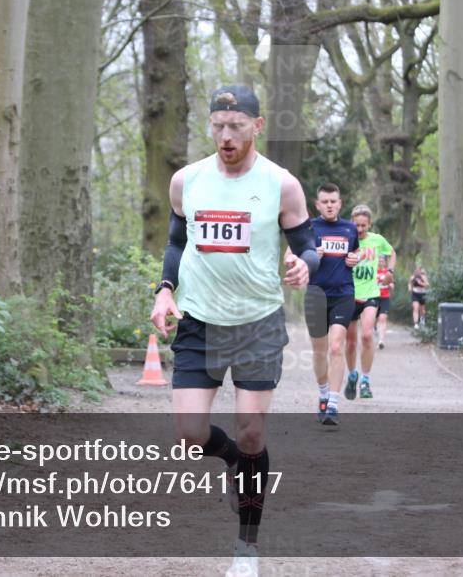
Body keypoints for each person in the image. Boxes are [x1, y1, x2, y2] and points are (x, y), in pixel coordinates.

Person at [150, 85, 316, 577]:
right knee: (189, 433)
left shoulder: (282, 185)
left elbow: (306, 244)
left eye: (236, 127)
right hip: (199, 320)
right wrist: (164, 290)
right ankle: (233, 465)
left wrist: (303, 266)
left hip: (258, 323)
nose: (226, 136)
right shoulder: (187, 180)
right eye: (218, 126)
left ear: (257, 126)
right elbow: (177, 242)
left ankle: (246, 549)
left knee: (250, 432)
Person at [300, 183, 358, 426]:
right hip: (315, 294)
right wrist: (312, 254)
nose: (330, 205)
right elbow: (294, 257)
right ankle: (323, 392)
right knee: (320, 351)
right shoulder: (309, 228)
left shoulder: (350, 228)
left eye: (333, 201)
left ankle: (333, 404)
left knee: (336, 347)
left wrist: (354, 258)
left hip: (343, 293)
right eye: (325, 201)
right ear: (317, 205)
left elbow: (354, 253)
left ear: (340, 203)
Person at [344, 205, 395, 400]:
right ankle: (352, 375)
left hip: (371, 293)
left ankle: (365, 380)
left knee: (366, 335)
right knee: (350, 342)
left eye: (363, 225)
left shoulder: (377, 240)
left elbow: (392, 253)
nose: (360, 229)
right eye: (356, 225)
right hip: (348, 294)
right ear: (351, 223)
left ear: (370, 224)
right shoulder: (346, 240)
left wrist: (390, 273)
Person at [375, 254, 394, 350]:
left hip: (385, 297)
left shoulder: (388, 272)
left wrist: (390, 285)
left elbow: (391, 283)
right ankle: (375, 329)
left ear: (385, 261)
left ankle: (381, 341)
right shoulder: (373, 270)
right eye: (379, 259)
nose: (381, 261)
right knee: (374, 320)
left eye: (382, 260)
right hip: (374, 297)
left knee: (382, 318)